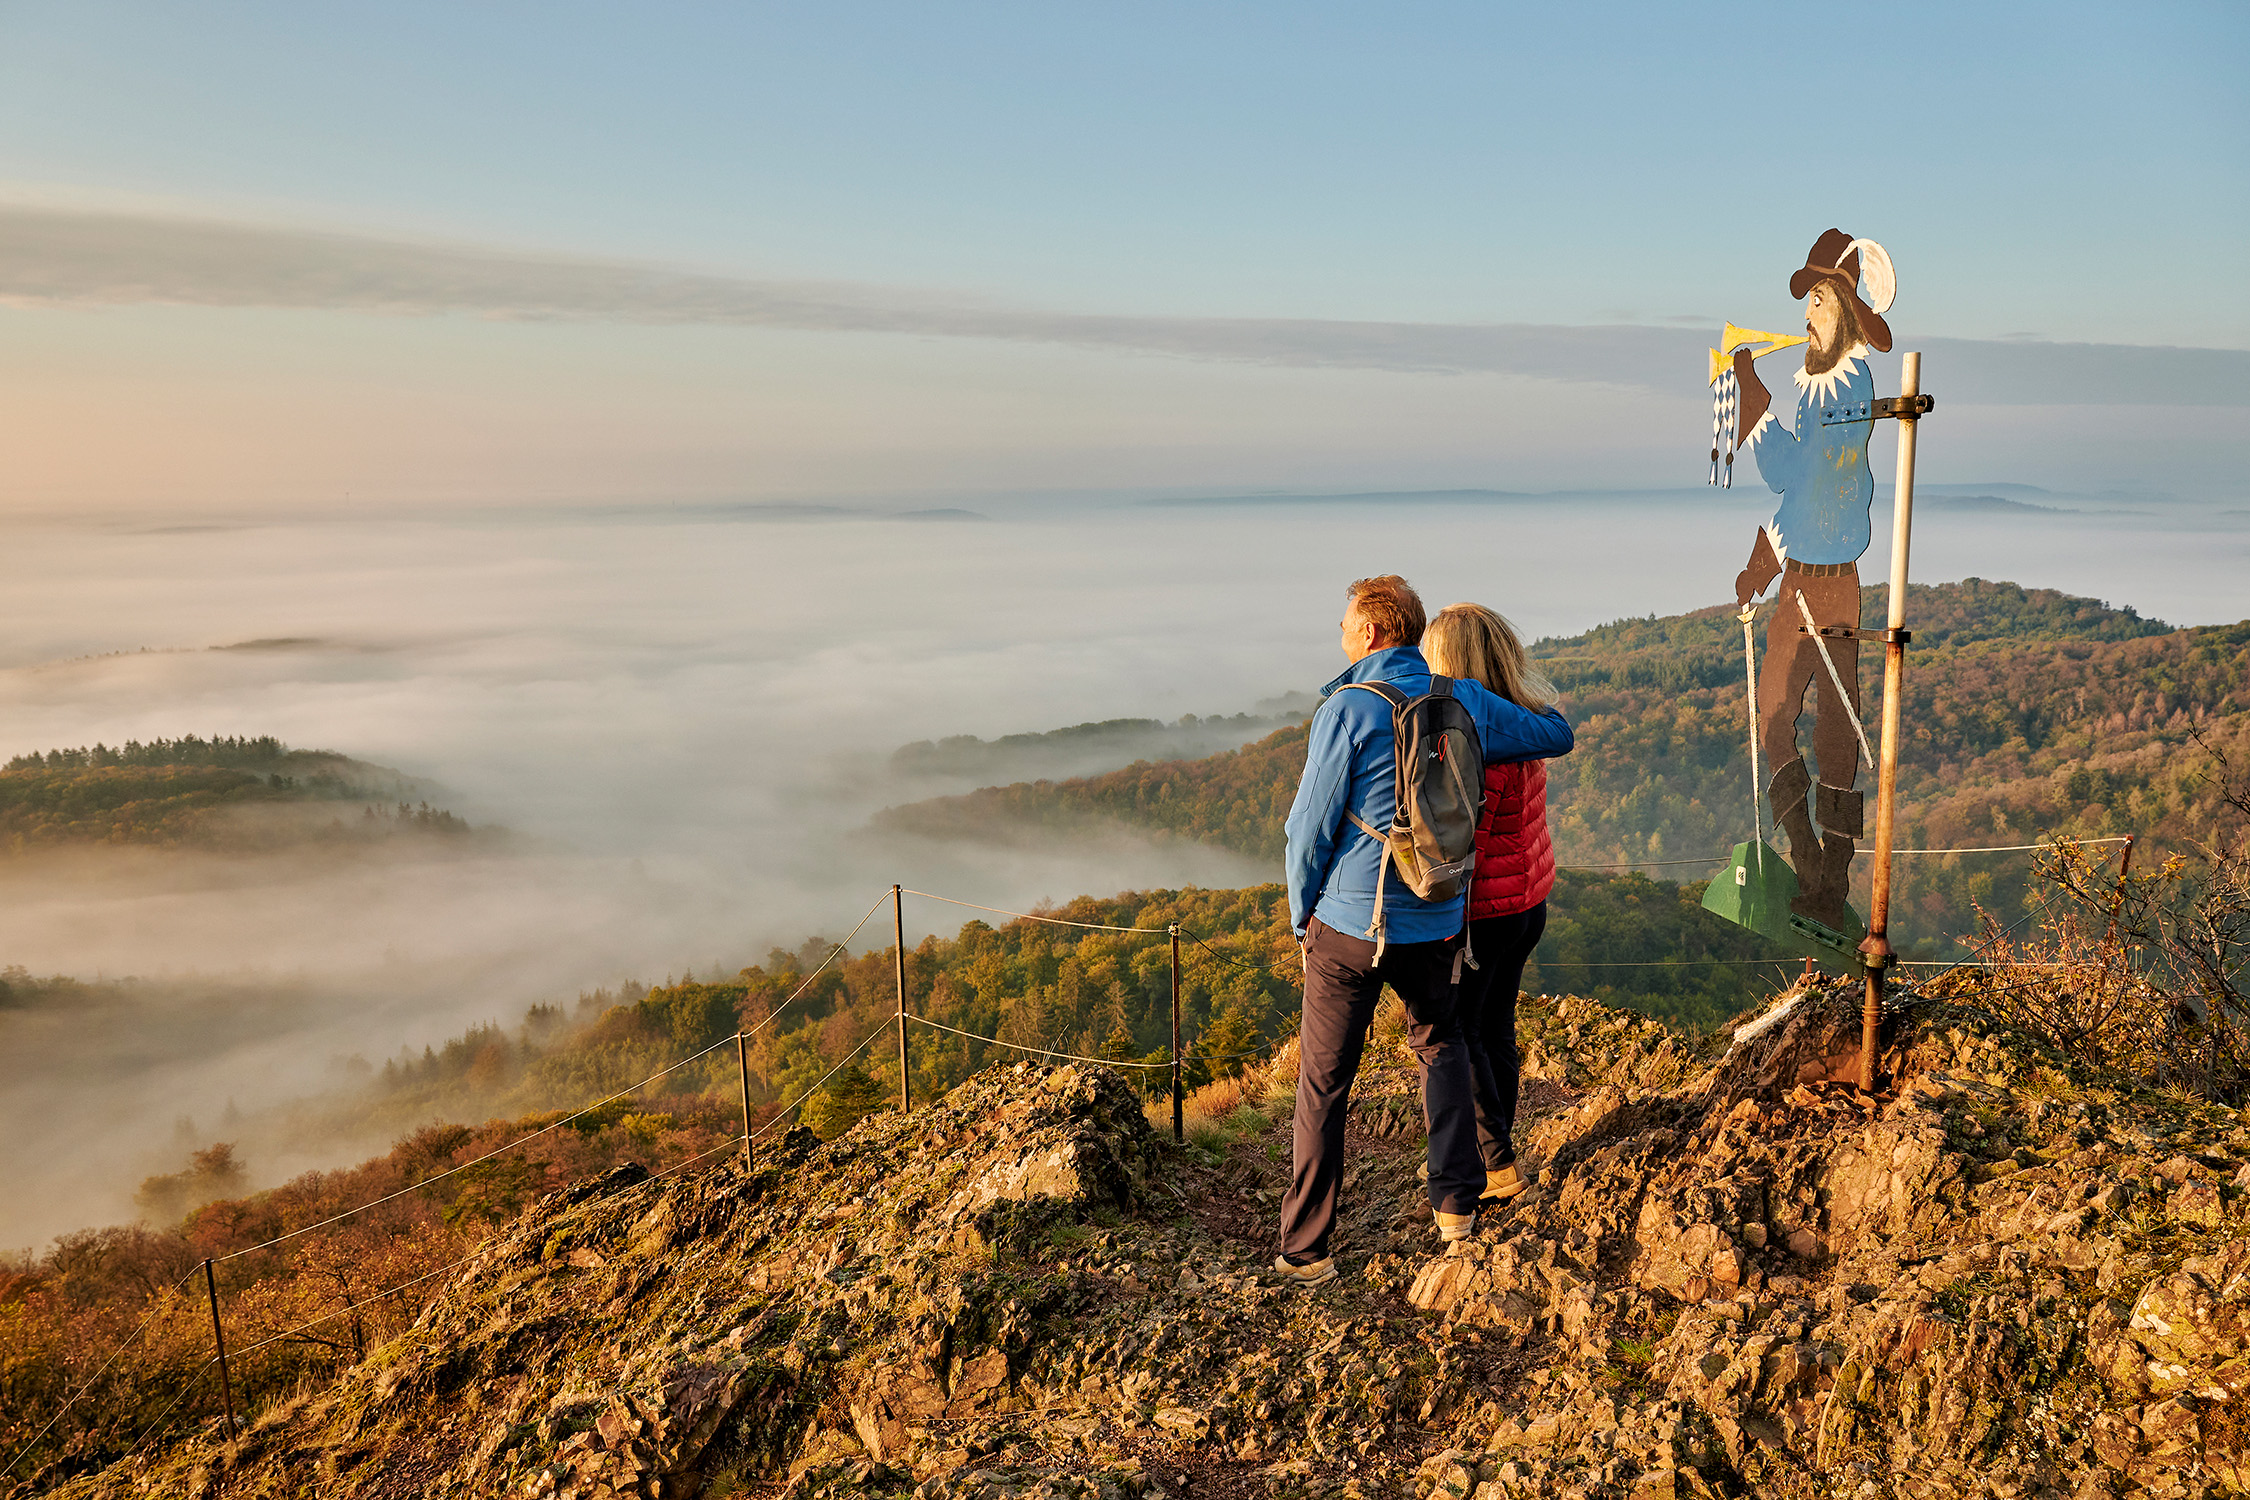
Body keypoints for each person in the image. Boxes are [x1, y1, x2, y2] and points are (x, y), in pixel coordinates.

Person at [1275, 576, 1574, 1288]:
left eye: (1348, 624)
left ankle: (1308, 1247)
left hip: (1350, 923)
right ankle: (1456, 1213)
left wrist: (1301, 914)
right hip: (1438, 917)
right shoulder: (1461, 699)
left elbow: (1307, 829)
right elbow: (1553, 734)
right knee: (1442, 1049)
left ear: (1374, 633)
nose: (1343, 634)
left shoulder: (1346, 707)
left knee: (1324, 1081)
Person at [1728, 228, 1895, 938]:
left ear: (1848, 311)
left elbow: (1797, 479)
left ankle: (1827, 881)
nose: (1807, 314)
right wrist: (1762, 570)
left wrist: (1753, 402)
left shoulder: (1848, 388)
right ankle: (1808, 866)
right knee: (1773, 720)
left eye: (1820, 299)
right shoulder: (1819, 386)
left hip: (1831, 589)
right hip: (1798, 582)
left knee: (1835, 731)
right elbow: (1801, 505)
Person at [1422, 603, 1559, 1204]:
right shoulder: (1523, 721)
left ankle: (1496, 1163)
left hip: (1485, 912)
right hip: (1528, 900)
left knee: (1464, 1030)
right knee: (1496, 1025)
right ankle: (1497, 1147)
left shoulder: (1477, 739)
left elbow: (1459, 833)